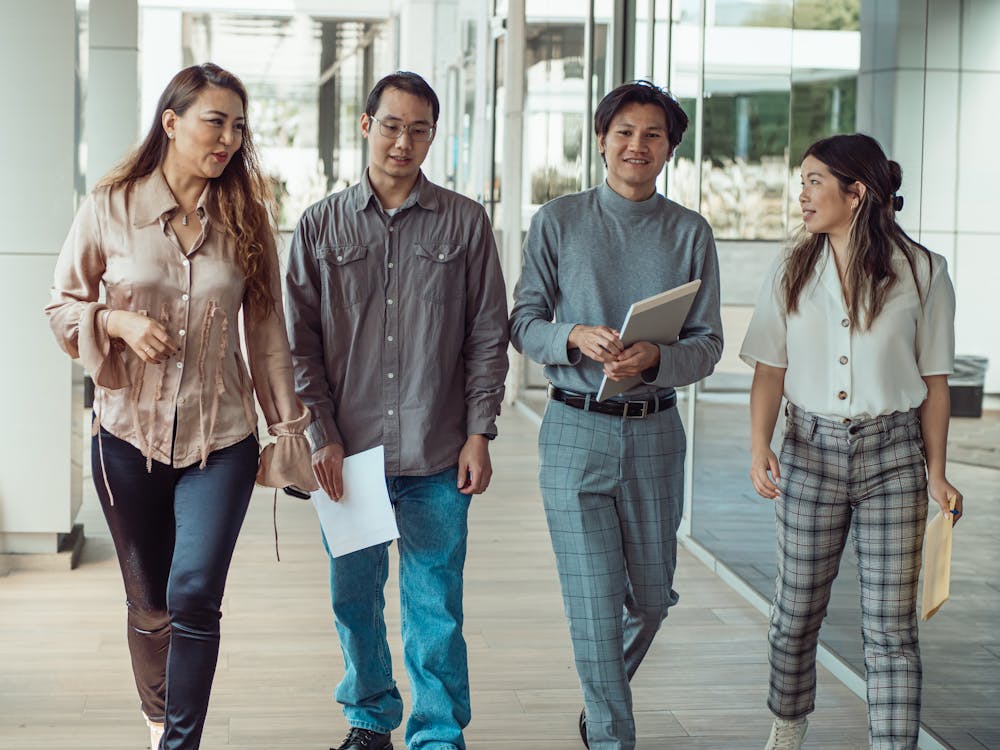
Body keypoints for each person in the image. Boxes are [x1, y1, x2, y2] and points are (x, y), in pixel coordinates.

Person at [45, 63, 317, 750]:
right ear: (171, 122)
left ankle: (180, 744)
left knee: (195, 596)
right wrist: (114, 322)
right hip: (124, 438)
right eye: (214, 120)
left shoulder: (247, 216)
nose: (228, 137)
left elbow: (267, 335)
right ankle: (159, 713)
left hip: (219, 441)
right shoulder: (109, 205)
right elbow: (62, 307)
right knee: (151, 606)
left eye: (238, 126)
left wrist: (287, 431)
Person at [284, 71, 509, 750]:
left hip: (439, 451)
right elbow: (299, 344)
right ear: (365, 125)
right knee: (353, 600)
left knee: (434, 606)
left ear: (433, 136)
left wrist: (479, 432)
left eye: (418, 129)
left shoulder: (465, 222)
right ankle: (369, 719)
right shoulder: (320, 224)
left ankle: (438, 735)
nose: (403, 141)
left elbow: (487, 336)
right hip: (347, 454)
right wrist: (319, 434)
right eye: (391, 125)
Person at [509, 80, 723, 750]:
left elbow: (708, 344)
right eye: (624, 131)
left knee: (652, 601)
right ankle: (610, 733)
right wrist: (572, 336)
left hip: (657, 431)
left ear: (669, 149)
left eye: (652, 135)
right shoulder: (558, 220)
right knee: (596, 605)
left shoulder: (690, 232)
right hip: (573, 430)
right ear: (601, 139)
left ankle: (603, 696)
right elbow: (522, 322)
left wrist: (654, 360)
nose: (637, 145)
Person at [740, 133, 963, 750]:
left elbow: (935, 383)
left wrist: (937, 471)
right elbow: (768, 370)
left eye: (815, 181)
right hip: (809, 456)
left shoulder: (923, 272)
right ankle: (787, 725)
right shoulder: (791, 267)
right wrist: (761, 445)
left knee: (891, 629)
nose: (802, 195)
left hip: (894, 459)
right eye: (802, 181)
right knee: (793, 618)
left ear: (856, 192)